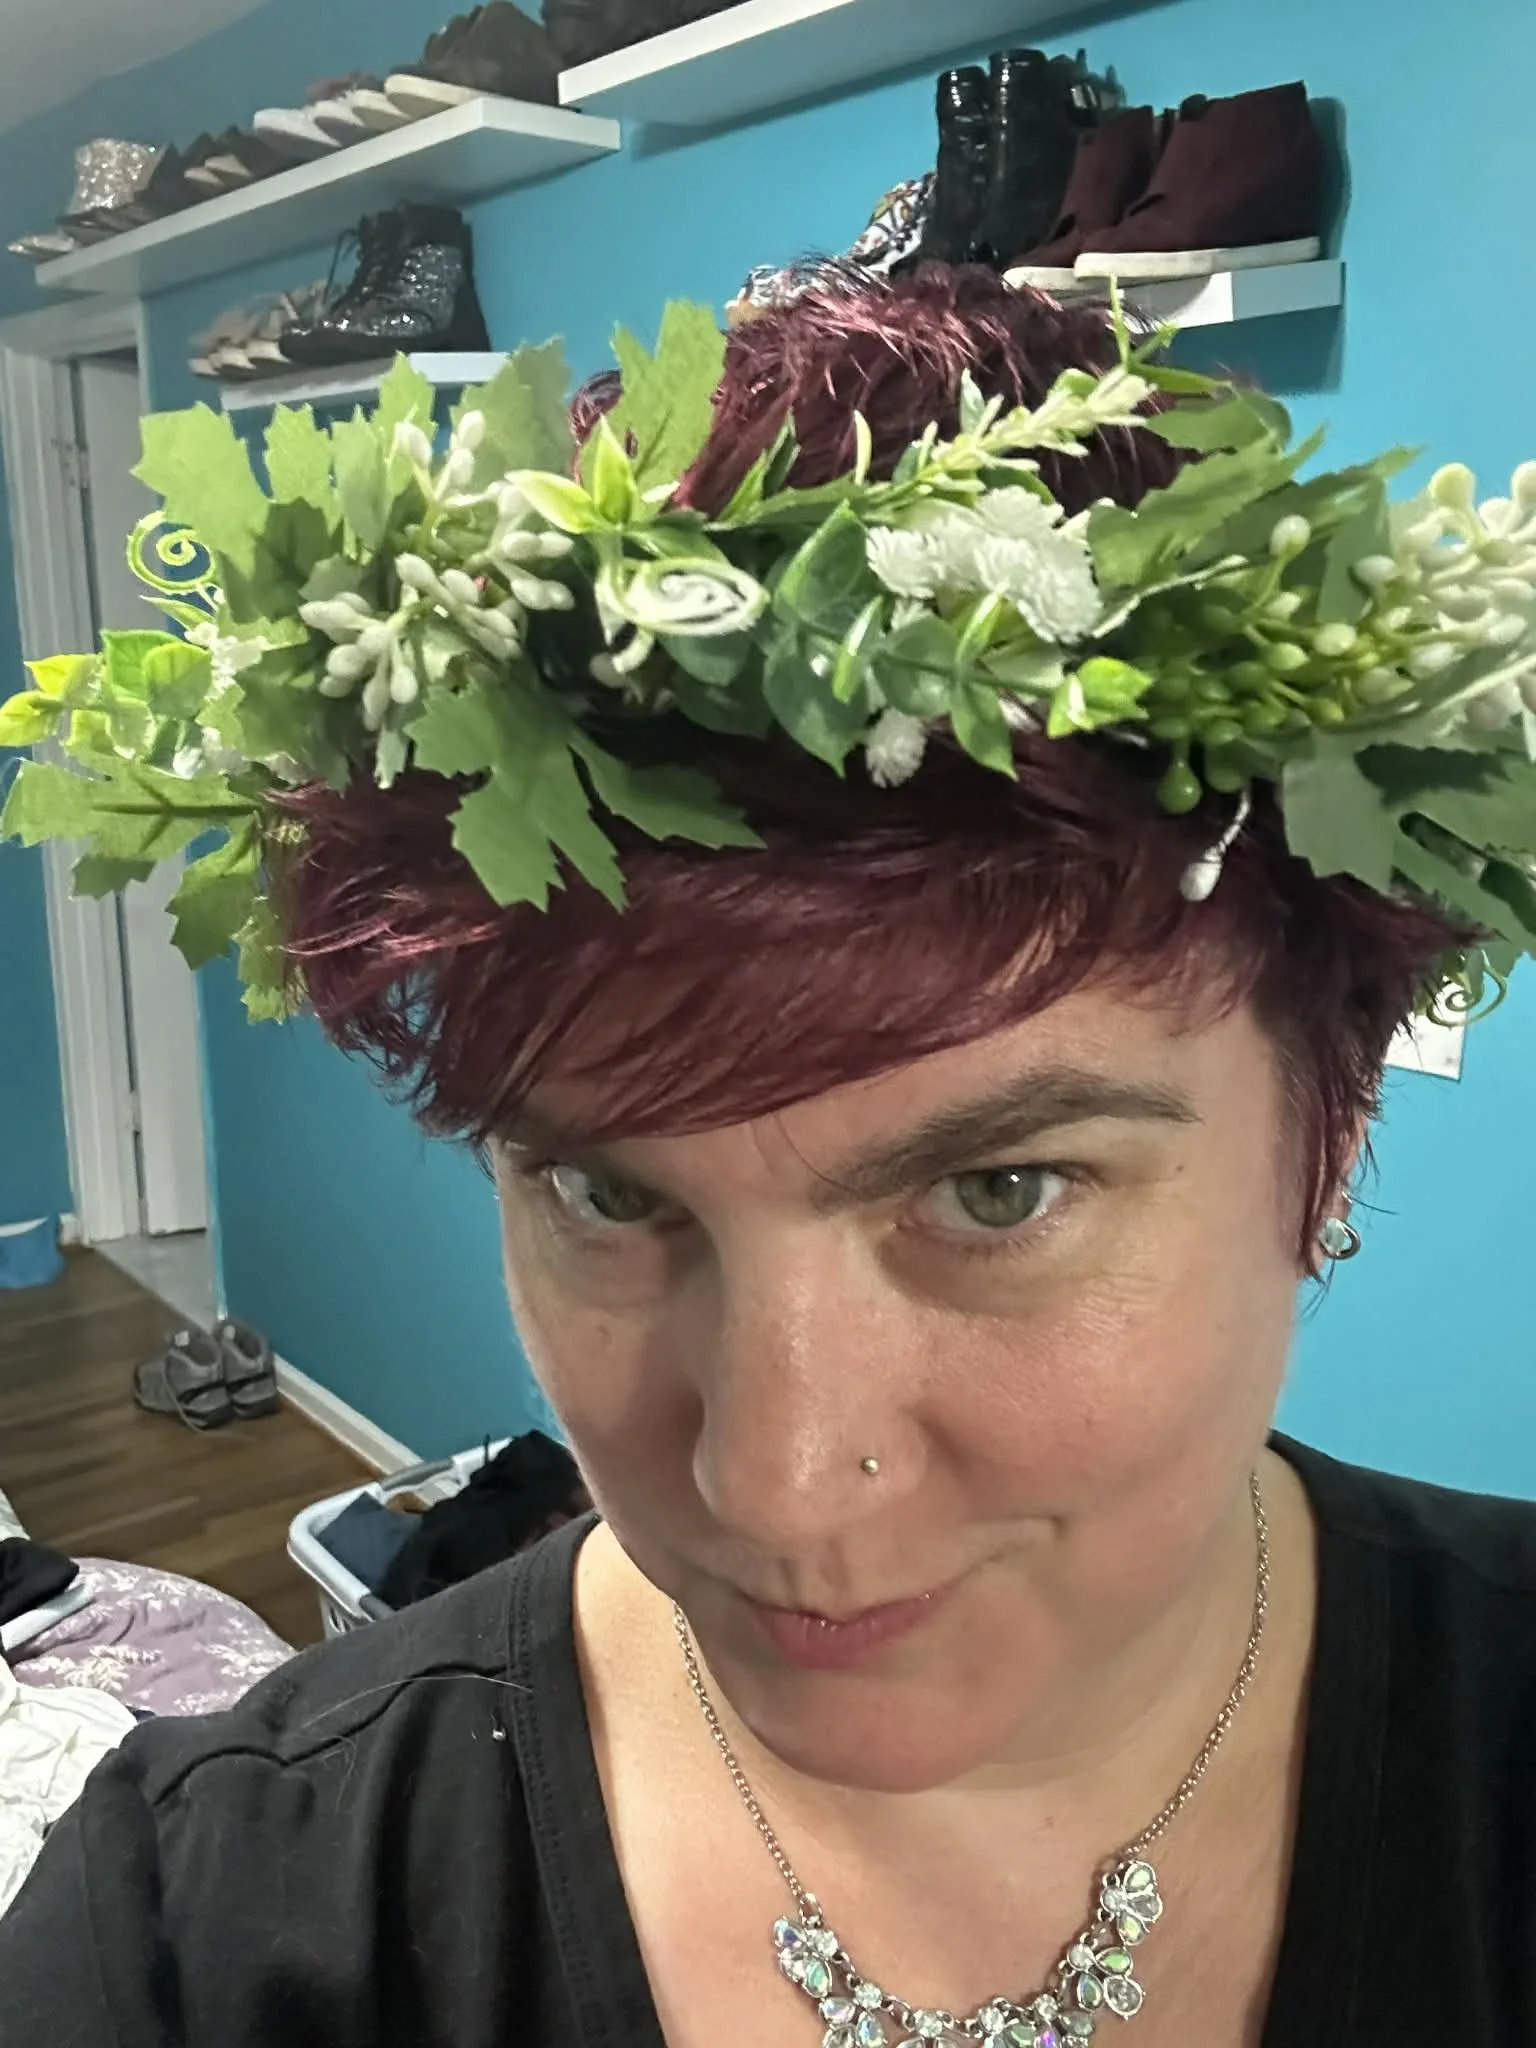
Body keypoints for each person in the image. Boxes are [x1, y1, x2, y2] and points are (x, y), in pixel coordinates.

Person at [3, 266, 1535, 2045]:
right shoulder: (202, 1936)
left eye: (999, 1193)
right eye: (609, 1193)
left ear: (1326, 1143)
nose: (778, 1485)